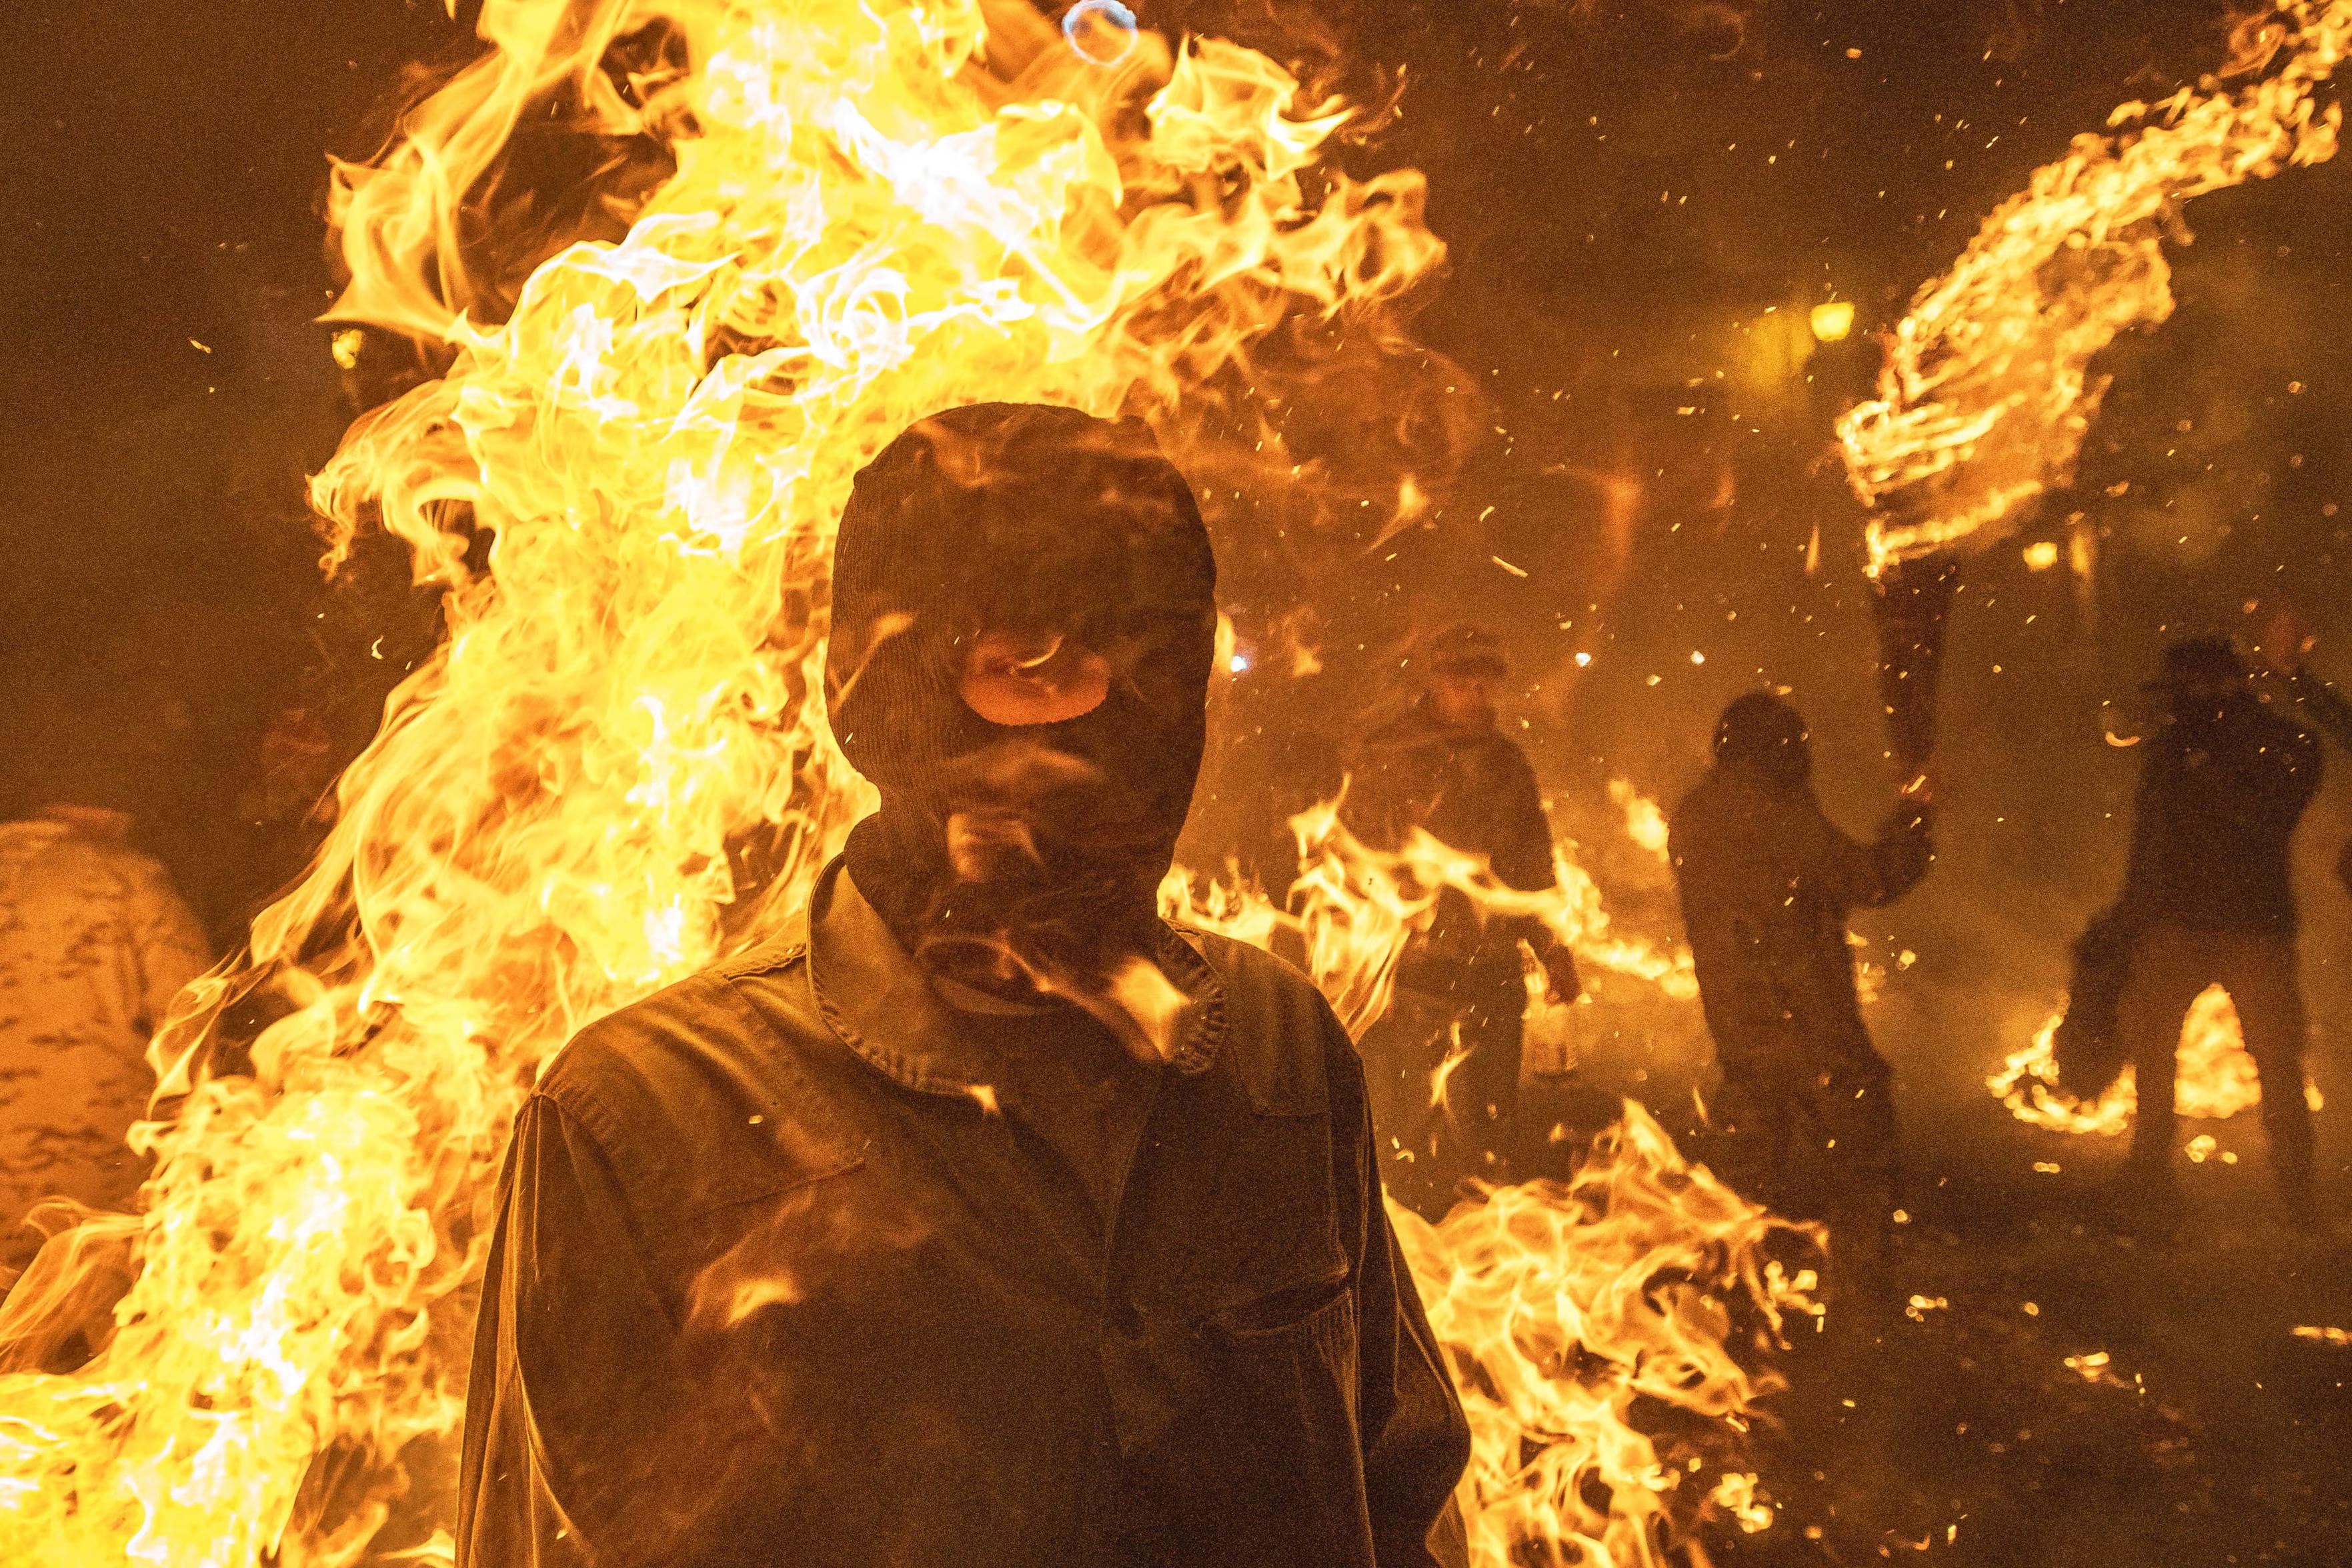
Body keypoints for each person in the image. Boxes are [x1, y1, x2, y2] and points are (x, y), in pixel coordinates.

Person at [456, 404, 1470, 1568]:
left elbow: (1401, 1494)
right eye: (1037, 665)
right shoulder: (642, 1120)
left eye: (1162, 664)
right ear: (870, 691)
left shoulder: (1275, 1050)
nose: (1124, 729)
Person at [1668, 693, 1931, 1281]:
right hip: (1809, 1026)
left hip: (1738, 1028)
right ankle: (1861, 1304)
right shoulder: (1775, 813)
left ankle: (1740, 1296)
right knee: (1861, 1161)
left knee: (1751, 1178)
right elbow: (1871, 879)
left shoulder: (1694, 814)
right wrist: (1915, 819)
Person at [1342, 625, 1581, 1218]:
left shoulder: (1506, 763)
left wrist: (1551, 947)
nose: (1476, 693)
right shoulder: (1388, 755)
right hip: (1415, 973)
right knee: (1409, 1124)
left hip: (1491, 969)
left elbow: (1530, 861)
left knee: (1488, 1121)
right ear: (1433, 682)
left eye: (1487, 680)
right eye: (1460, 680)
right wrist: (1371, 967)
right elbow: (1356, 865)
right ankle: (1410, 1243)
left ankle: (1476, 1241)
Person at [2107, 637, 2320, 1215]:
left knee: (2275, 1061)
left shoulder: (2273, 743)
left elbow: (2282, 798)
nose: (2178, 704)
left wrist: (2219, 754)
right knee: (2153, 1056)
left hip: (2251, 924)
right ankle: (2148, 1178)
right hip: (2178, 922)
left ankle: (2298, 1193)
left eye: (2187, 692)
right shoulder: (2174, 746)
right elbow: (2150, 837)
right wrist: (2131, 914)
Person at [0, 794, 211, 1274]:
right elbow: (190, 1030)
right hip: (98, 1191)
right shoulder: (129, 881)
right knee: (114, 1340)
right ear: (109, 808)